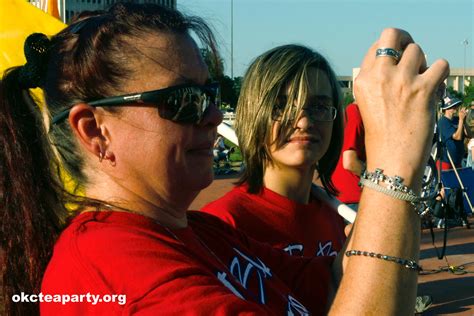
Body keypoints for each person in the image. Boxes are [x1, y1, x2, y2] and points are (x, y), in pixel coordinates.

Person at [0, 3, 449, 315]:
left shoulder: (201, 233)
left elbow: (333, 280)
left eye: (211, 94)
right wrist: (394, 165)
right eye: (183, 100)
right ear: (95, 130)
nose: (214, 115)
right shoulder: (111, 263)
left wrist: (386, 200)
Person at [201, 44, 346, 257]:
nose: (304, 122)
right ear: (254, 115)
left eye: (319, 107)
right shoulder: (224, 223)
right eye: (281, 107)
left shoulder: (334, 219)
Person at [331, 103, 366, 211]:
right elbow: (350, 162)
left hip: (348, 198)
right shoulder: (355, 112)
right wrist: (376, 180)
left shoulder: (354, 112)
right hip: (353, 198)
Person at [437, 95, 467, 170]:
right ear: (447, 108)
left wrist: (464, 121)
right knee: (448, 181)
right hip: (447, 162)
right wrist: (460, 121)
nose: (456, 108)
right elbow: (457, 137)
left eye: (456, 105)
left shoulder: (457, 119)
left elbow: (469, 135)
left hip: (458, 160)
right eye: (454, 106)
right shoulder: (443, 122)